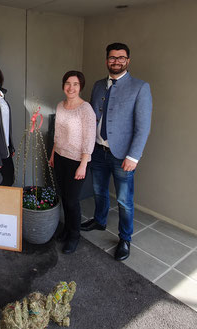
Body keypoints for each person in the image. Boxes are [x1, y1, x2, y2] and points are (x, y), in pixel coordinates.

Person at [81, 43, 152, 261]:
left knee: (124, 200)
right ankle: (100, 221)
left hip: (122, 156)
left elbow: (143, 126)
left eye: (121, 58)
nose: (116, 61)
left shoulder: (140, 87)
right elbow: (92, 117)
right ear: (106, 60)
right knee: (99, 191)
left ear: (128, 60)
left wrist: (134, 156)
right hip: (98, 150)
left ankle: (125, 238)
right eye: (112, 58)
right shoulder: (99, 85)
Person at [49, 71, 96, 254]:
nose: (71, 87)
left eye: (75, 84)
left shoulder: (86, 110)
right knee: (64, 197)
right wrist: (53, 154)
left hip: (78, 160)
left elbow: (89, 139)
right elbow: (57, 134)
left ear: (80, 87)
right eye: (68, 83)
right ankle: (67, 229)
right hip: (60, 157)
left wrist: (83, 164)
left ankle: (74, 235)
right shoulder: (60, 105)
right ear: (63, 85)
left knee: (72, 200)